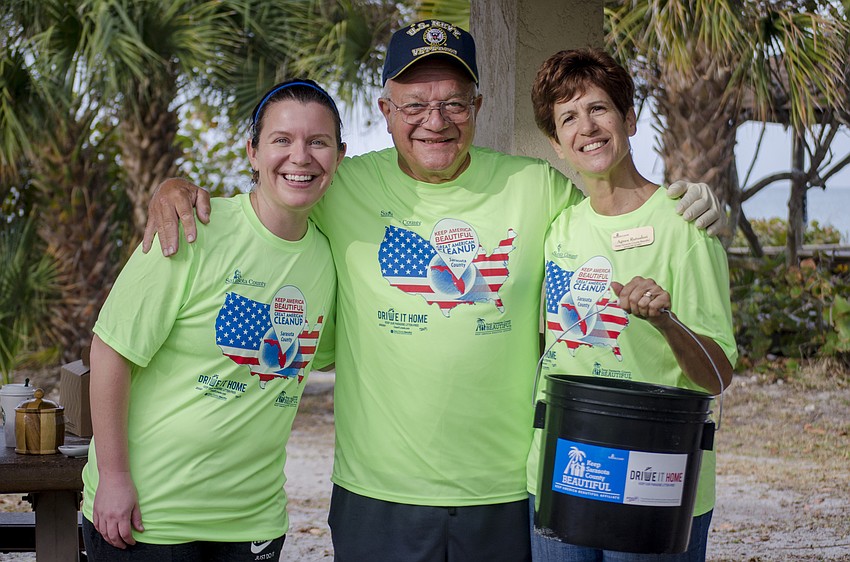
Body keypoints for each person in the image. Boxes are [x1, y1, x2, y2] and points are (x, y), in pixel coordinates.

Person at [142, 21, 724, 562]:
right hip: (377, 495)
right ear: (386, 110)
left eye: (452, 102)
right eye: (415, 105)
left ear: (477, 107)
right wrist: (173, 188)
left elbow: (612, 220)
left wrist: (687, 204)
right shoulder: (343, 185)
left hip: (504, 496)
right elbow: (270, 202)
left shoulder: (536, 186)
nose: (435, 120)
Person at [80, 78, 345, 561]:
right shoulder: (190, 229)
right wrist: (115, 478)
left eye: (318, 142)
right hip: (151, 516)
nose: (300, 157)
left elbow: (321, 359)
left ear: (340, 156)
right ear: (252, 152)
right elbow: (111, 351)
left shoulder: (329, 260)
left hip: (253, 521)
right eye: (281, 140)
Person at [527, 48, 736, 561]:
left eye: (599, 109)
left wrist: (666, 322)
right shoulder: (559, 228)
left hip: (655, 476)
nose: (587, 127)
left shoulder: (685, 225)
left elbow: (717, 376)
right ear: (556, 144)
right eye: (568, 117)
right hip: (564, 468)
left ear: (630, 119)